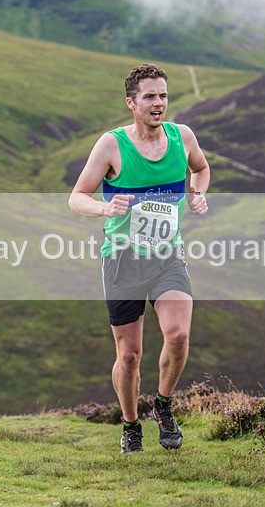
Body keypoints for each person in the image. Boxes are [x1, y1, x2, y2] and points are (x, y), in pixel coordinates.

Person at [68, 63, 210, 454]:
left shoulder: (182, 137)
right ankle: (131, 425)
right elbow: (77, 196)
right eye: (149, 96)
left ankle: (163, 405)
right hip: (123, 260)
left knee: (178, 335)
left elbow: (201, 168)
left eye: (163, 95)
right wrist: (105, 209)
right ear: (131, 102)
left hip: (168, 256)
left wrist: (197, 192)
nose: (158, 103)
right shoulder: (112, 145)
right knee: (129, 356)